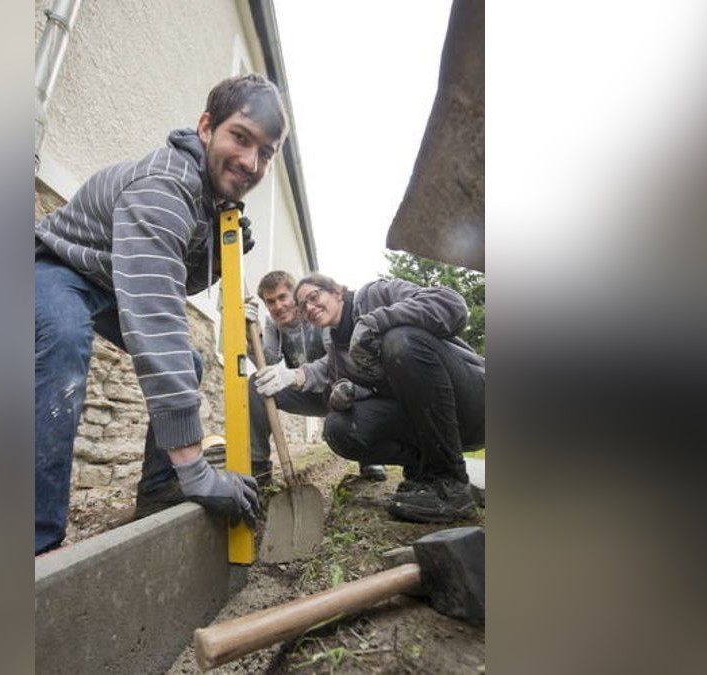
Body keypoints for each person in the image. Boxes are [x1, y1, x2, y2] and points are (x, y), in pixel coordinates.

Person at [34, 74, 289, 555]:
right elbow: (156, 314)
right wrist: (197, 468)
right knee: (64, 337)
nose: (251, 162)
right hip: (57, 265)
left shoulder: (210, 202)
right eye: (240, 136)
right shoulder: (164, 188)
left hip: (108, 280)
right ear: (206, 127)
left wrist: (217, 246)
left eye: (266, 152)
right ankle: (35, 545)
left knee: (190, 363)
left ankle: (158, 490)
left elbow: (178, 278)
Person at [254, 273, 485, 523]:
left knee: (399, 342)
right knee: (338, 427)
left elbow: (452, 305)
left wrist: (375, 321)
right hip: (437, 427)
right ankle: (424, 473)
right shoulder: (337, 350)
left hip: (474, 403)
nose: (309, 307)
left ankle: (451, 483)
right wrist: (342, 393)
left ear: (337, 292)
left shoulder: (376, 295)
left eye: (314, 296)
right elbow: (337, 380)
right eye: (303, 305)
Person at [245, 271, 385, 485]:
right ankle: (259, 470)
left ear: (296, 297)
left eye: (283, 297)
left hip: (339, 387)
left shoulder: (318, 314)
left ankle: (369, 458)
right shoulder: (274, 325)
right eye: (270, 301)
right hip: (307, 393)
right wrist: (251, 337)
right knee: (257, 383)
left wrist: (297, 374)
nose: (278, 306)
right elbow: (269, 364)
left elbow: (335, 361)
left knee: (354, 385)